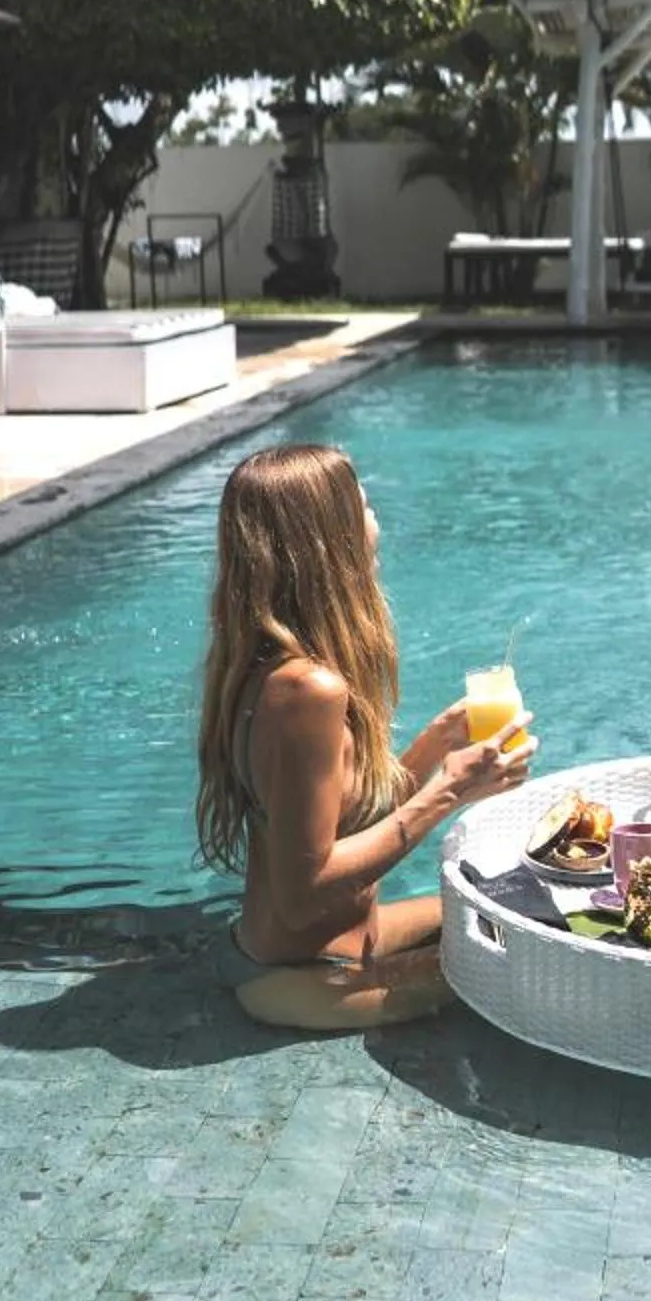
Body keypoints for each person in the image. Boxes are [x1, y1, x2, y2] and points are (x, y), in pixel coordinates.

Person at [196, 442, 533, 1031]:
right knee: (529, 965)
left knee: (519, 916)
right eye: (365, 506)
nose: (376, 522)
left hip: (332, 946)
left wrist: (436, 744)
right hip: (308, 977)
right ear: (331, 537)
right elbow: (306, 891)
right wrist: (448, 793)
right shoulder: (307, 691)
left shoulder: (276, 666)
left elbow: (339, 818)